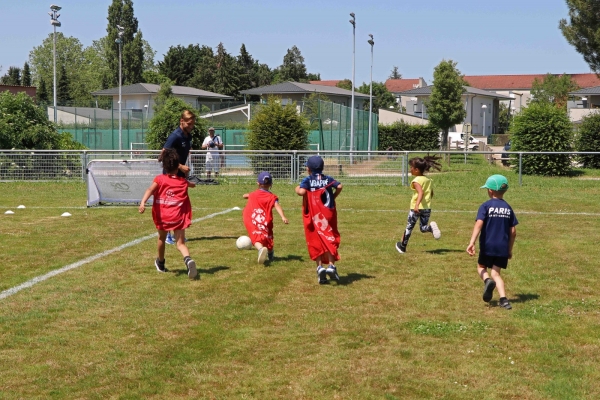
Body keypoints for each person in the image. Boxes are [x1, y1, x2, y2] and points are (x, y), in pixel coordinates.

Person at [139, 148, 198, 280]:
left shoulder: (159, 179)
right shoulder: (182, 182)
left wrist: (143, 202)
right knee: (180, 243)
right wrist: (190, 181)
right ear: (177, 166)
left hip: (163, 216)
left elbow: (150, 189)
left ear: (164, 166)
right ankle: (188, 260)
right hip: (177, 216)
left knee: (161, 238)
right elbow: (192, 185)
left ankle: (160, 263)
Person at [467, 174, 518, 310]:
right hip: (502, 247)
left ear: (490, 191)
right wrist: (509, 250)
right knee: (496, 273)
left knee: (481, 267)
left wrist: (472, 242)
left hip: (487, 245)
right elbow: (513, 232)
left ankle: (487, 281)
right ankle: (503, 299)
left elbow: (479, 224)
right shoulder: (508, 208)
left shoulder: (485, 206)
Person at [295, 156, 343, 285]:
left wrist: (297, 189)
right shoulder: (327, 179)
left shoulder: (308, 180)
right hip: (329, 214)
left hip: (315, 216)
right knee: (330, 238)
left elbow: (302, 192)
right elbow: (339, 186)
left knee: (316, 240)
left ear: (309, 169)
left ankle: (320, 267)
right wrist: (333, 197)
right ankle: (332, 266)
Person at [162, 110, 196, 245]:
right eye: (189, 124)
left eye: (193, 124)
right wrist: (180, 166)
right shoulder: (174, 136)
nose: (191, 126)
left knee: (181, 204)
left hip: (180, 175)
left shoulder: (188, 136)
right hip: (170, 174)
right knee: (170, 205)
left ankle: (179, 235)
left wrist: (183, 170)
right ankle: (167, 235)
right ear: (182, 121)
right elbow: (163, 155)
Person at [395, 156, 442, 254]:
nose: (410, 169)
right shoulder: (428, 180)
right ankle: (430, 228)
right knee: (423, 228)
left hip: (416, 208)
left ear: (416, 170)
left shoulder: (416, 181)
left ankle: (402, 247)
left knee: (409, 227)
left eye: (411, 167)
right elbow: (431, 194)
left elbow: (420, 193)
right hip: (426, 208)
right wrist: (426, 203)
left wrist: (417, 205)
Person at [242, 171, 289, 264]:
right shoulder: (272, 197)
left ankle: (260, 249)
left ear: (258, 183)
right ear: (271, 184)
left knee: (255, 237)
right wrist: (283, 217)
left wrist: (247, 195)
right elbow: (277, 206)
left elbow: (245, 195)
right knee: (268, 237)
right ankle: (270, 252)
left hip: (252, 219)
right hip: (266, 220)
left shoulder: (253, 194)